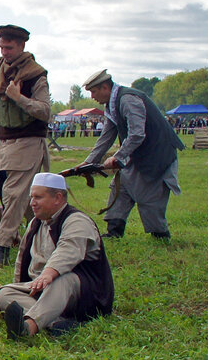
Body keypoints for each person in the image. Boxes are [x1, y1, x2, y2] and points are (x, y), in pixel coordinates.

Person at [0, 173, 114, 340]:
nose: (32, 203)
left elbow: (67, 251)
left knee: (63, 279)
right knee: (5, 293)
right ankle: (57, 323)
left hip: (83, 294)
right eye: (31, 197)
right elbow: (22, 256)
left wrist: (48, 274)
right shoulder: (35, 222)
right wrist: (20, 284)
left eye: (38, 197)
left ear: (57, 198)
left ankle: (28, 328)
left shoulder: (77, 221)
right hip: (42, 287)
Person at [78, 69, 185, 239]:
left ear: (105, 87)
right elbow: (106, 137)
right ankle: (114, 231)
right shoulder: (112, 105)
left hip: (157, 156)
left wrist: (117, 157)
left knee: (150, 198)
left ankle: (161, 236)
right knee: (121, 189)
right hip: (137, 155)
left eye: (94, 91)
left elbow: (137, 133)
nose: (92, 96)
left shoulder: (127, 100)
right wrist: (88, 162)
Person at [0, 24, 52, 266]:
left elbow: (45, 112)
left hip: (28, 143)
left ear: (21, 46)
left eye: (9, 47)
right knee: (27, 201)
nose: (4, 51)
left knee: (13, 196)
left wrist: (19, 98)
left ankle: (2, 251)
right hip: (5, 146)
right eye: (1, 46)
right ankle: (46, 240)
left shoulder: (35, 75)